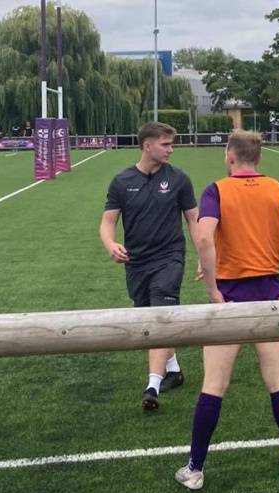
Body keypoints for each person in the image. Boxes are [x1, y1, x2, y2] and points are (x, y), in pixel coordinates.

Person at [174, 130, 279, 490]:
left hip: (231, 294)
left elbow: (204, 237)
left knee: (214, 384)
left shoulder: (216, 190)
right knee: (278, 380)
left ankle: (196, 468)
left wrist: (212, 289)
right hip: (269, 292)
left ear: (229, 156)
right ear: (259, 158)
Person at [101, 122, 198, 409]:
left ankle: (152, 386)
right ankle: (174, 370)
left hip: (170, 258)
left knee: (159, 318)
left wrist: (205, 257)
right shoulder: (121, 181)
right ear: (147, 145)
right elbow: (108, 221)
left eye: (171, 144)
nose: (171, 149)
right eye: (166, 144)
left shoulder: (179, 179)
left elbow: (193, 219)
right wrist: (111, 244)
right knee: (147, 323)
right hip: (136, 262)